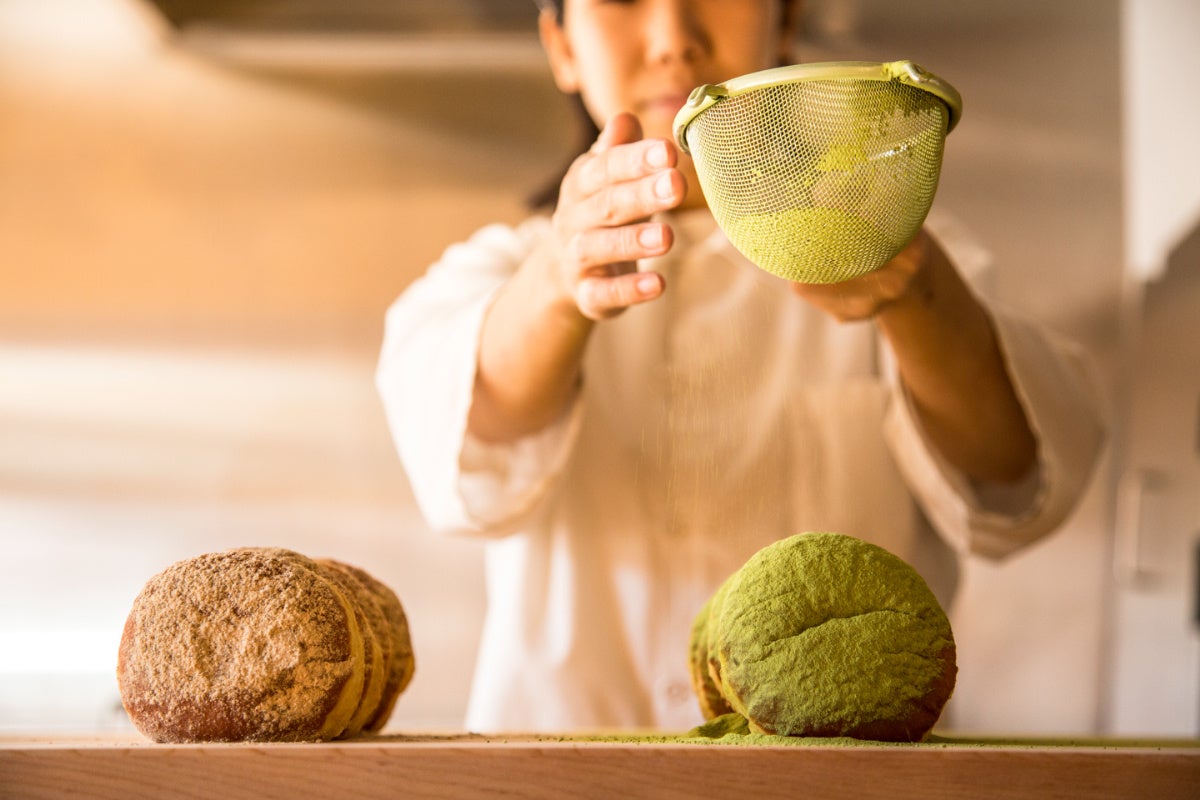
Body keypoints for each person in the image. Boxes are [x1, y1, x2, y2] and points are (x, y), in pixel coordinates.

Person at [376, 0, 1105, 733]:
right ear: (561, 45)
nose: (674, 41)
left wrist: (916, 295)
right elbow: (473, 434)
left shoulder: (905, 248)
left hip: (843, 783)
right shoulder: (502, 269)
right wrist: (557, 288)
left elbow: (1012, 473)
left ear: (784, 26)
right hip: (563, 771)